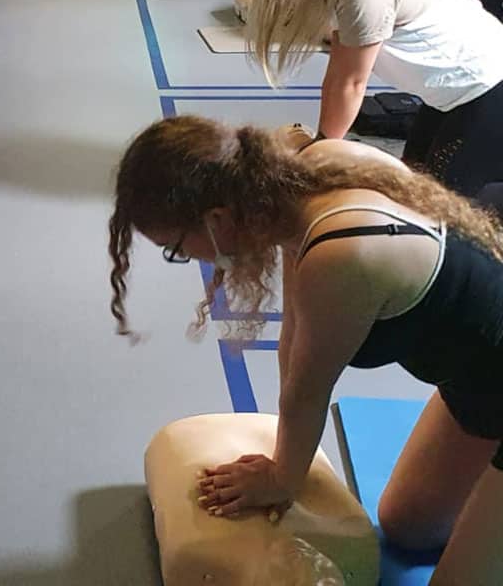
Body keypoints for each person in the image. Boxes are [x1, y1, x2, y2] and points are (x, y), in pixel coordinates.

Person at [108, 115, 503, 584]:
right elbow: (293, 348)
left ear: (216, 219)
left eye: (176, 248)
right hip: (476, 384)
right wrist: (281, 462)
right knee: (406, 527)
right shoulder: (303, 183)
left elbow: (310, 390)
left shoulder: (342, 252)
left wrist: (280, 480)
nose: (187, 259)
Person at [249, 0, 503, 199]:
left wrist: (320, 158)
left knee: (441, 210)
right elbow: (338, 75)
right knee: (412, 189)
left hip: (485, 87)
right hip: (449, 94)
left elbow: (352, 83)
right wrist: (321, 143)